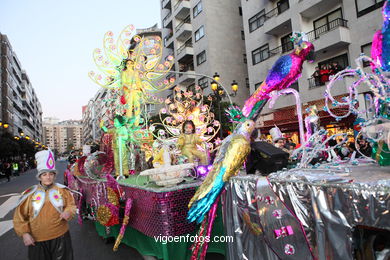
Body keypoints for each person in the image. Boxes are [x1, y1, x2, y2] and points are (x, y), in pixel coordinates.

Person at [13, 149, 76, 260]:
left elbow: (71, 205)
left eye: (51, 174)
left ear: (54, 175)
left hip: (61, 236)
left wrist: (68, 212)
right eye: (44, 174)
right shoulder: (29, 194)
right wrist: (25, 234)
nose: (48, 177)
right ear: (40, 176)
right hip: (37, 240)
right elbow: (19, 217)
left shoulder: (62, 190)